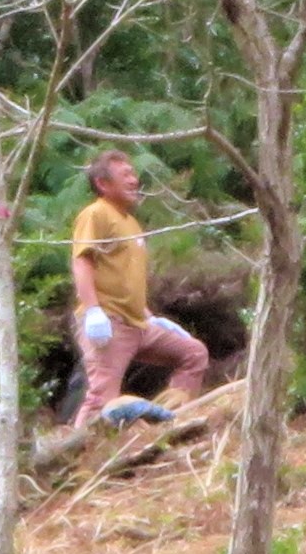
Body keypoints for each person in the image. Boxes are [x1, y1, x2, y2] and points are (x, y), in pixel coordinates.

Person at [69, 151, 211, 428]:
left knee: (194, 354)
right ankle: (78, 457)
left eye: (134, 174)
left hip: (138, 324)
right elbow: (82, 261)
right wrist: (93, 311)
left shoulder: (131, 223)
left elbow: (127, 277)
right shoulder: (95, 214)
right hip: (110, 322)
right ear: (103, 183)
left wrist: (150, 317)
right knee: (101, 399)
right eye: (126, 175)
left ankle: (173, 422)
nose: (135, 180)